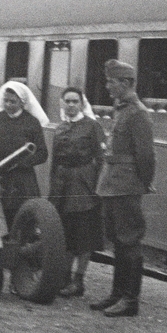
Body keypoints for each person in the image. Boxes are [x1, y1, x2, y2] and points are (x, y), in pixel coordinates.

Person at [90, 59, 155, 317]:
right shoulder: (123, 110)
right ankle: (117, 294)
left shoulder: (138, 113)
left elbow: (146, 156)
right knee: (119, 241)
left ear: (126, 83)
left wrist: (143, 182)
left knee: (130, 241)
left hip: (127, 185)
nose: (107, 86)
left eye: (111, 81)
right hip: (114, 184)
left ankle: (130, 300)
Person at [0, 80, 49, 292]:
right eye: (6, 100)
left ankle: (16, 281)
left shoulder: (31, 123)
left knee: (22, 230)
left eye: (13, 101)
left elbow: (42, 153)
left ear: (22, 102)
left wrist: (21, 163)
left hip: (22, 182)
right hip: (0, 179)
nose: (9, 104)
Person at [50, 86, 105, 298]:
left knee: (83, 236)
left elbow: (101, 159)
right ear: (63, 104)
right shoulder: (60, 128)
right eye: (68, 101)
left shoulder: (92, 127)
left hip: (83, 187)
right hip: (62, 187)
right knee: (65, 234)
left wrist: (96, 188)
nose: (71, 105)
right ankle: (64, 278)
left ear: (82, 104)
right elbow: (55, 162)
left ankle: (78, 280)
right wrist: (53, 189)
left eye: (75, 101)